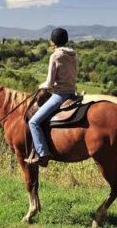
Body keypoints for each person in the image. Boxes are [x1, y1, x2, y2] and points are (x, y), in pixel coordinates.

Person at [25, 28, 77, 166]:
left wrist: (41, 86)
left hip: (59, 95)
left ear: (53, 41)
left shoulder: (55, 56)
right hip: (73, 93)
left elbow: (49, 82)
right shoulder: (73, 55)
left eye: (51, 40)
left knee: (33, 122)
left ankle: (42, 154)